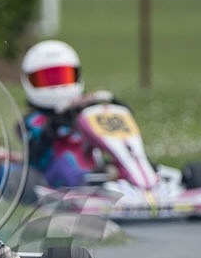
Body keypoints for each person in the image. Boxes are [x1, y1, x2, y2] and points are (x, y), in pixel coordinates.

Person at [20, 39, 125, 189]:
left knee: (122, 160)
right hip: (53, 176)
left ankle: (142, 175)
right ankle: (93, 181)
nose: (56, 87)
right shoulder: (33, 121)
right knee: (66, 163)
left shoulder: (84, 113)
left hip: (93, 167)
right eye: (48, 79)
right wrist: (56, 124)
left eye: (62, 76)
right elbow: (35, 152)